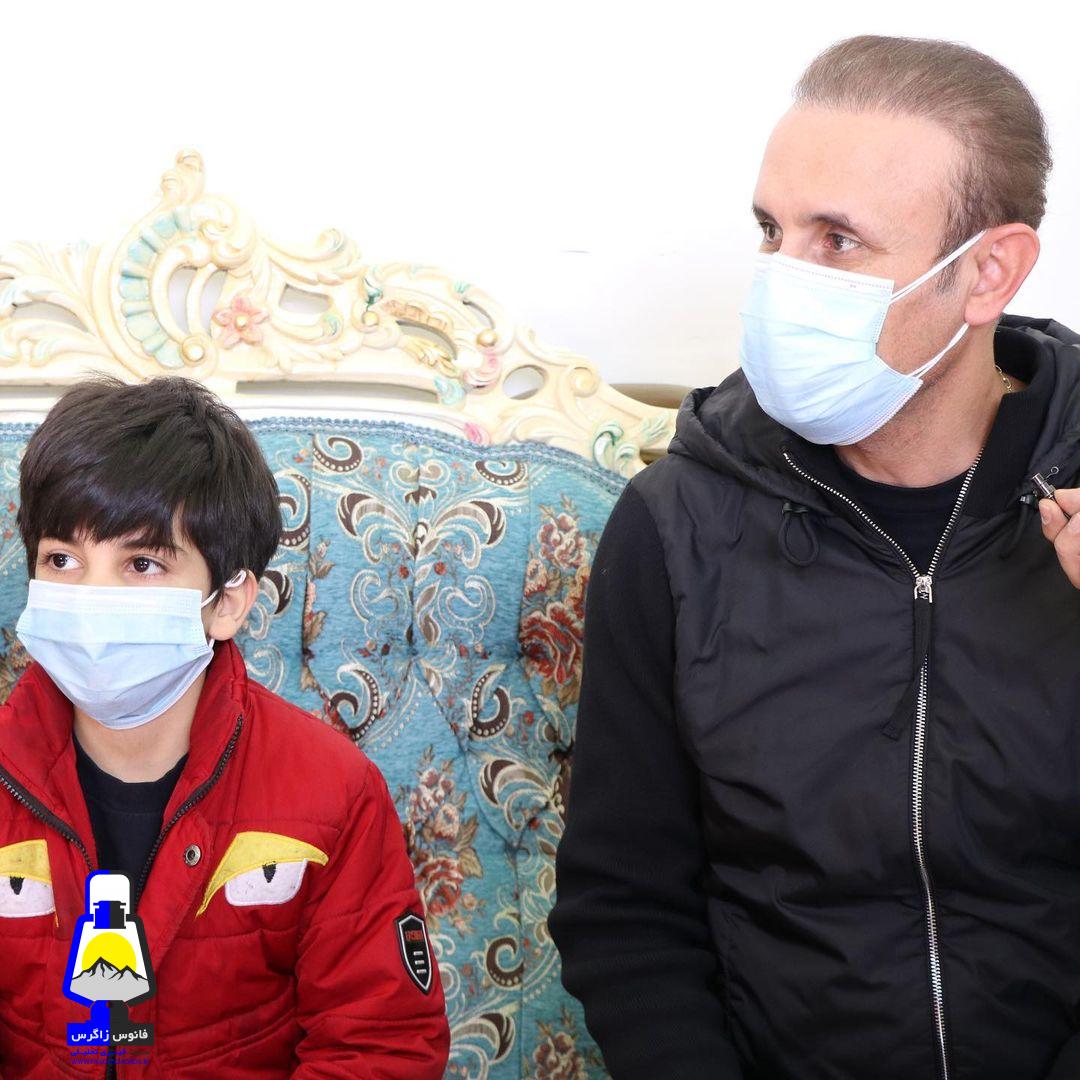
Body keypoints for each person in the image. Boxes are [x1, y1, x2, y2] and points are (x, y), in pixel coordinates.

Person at [549, 34, 1080, 1080]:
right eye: (771, 230)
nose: (780, 280)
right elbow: (626, 907)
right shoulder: (674, 528)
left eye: (837, 241)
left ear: (989, 272)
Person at [0, 374, 450, 1077]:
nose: (92, 599)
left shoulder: (333, 793)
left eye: (142, 563)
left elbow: (380, 1045)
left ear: (227, 603)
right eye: (63, 560)